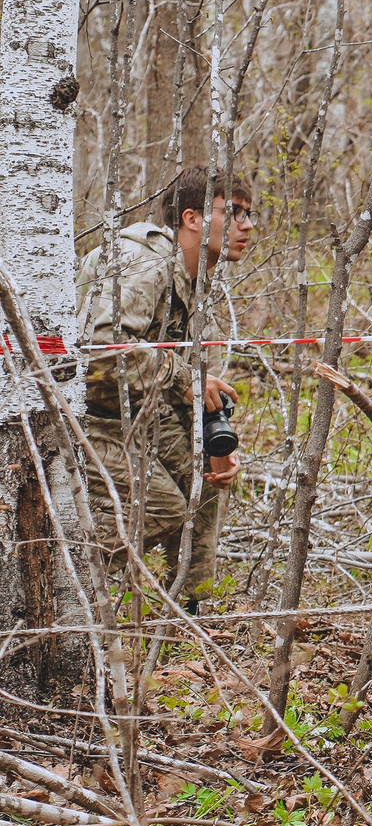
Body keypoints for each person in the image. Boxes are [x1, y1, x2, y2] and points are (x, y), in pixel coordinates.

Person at [76, 166, 258, 603]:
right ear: (192, 218)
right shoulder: (145, 261)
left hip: (137, 411)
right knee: (163, 508)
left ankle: (191, 619)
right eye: (233, 213)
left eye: (250, 214)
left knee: (205, 484)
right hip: (82, 411)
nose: (247, 226)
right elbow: (100, 348)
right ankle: (63, 592)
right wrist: (184, 377)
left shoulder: (198, 284)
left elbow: (194, 378)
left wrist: (216, 441)